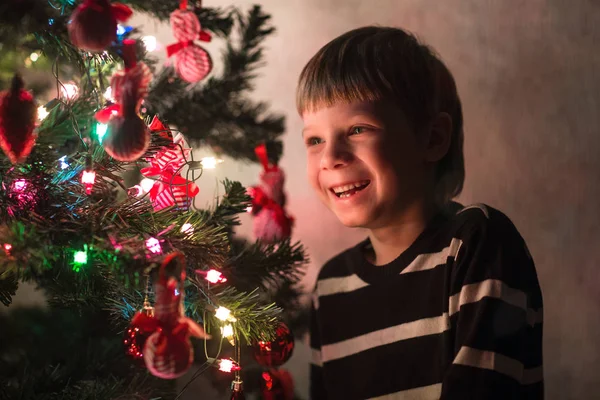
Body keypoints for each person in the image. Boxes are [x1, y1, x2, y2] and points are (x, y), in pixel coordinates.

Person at [297, 26, 544, 399]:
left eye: (357, 129)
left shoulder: (478, 244)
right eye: (315, 140)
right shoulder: (330, 287)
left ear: (432, 139)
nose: (330, 158)